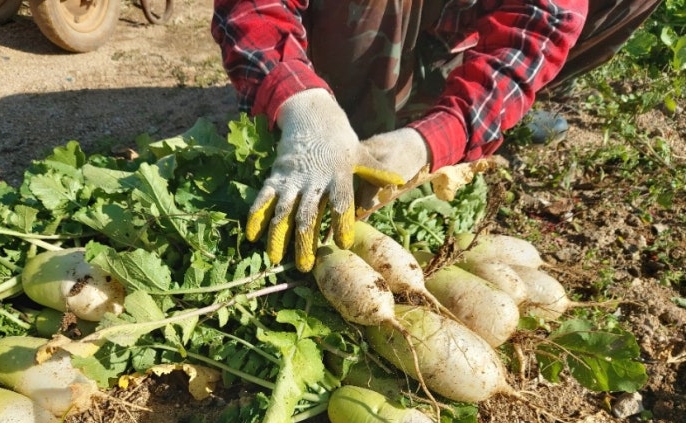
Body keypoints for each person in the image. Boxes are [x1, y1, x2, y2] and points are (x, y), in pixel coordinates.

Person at [211, 1, 663, 272]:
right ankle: (336, 102)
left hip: (453, 30)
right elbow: (252, 7)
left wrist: (429, 141)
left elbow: (537, 28)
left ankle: (463, 104)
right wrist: (302, 101)